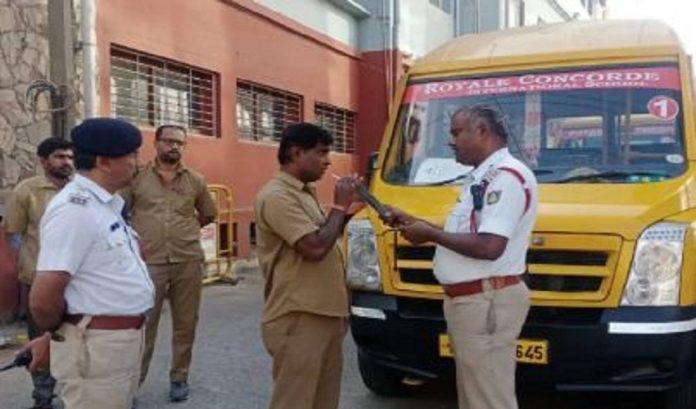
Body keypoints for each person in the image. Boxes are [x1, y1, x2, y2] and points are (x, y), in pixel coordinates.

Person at [387, 105, 538, 409]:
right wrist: (417, 222)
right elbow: (469, 233)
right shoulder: (482, 177)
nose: (451, 141)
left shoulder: (505, 178)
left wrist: (429, 234)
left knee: (489, 399)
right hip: (475, 302)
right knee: (477, 397)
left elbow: (489, 247)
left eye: (456, 133)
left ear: (482, 131)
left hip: (486, 301)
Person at [20, 118, 154, 409]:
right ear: (104, 161)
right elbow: (44, 297)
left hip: (115, 343)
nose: (138, 163)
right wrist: (59, 335)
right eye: (131, 155)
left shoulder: (104, 204)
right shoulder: (75, 210)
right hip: (96, 347)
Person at [254, 123, 360, 409]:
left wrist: (346, 212)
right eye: (322, 152)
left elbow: (324, 237)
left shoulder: (303, 192)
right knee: (295, 401)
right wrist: (339, 207)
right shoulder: (277, 196)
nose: (328, 161)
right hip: (299, 315)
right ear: (296, 152)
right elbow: (314, 247)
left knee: (324, 401)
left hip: (323, 313)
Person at [122, 124, 217, 402]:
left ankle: (179, 378)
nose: (174, 147)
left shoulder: (195, 180)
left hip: (187, 259)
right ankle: (133, 385)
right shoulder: (137, 179)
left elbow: (208, 214)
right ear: (157, 143)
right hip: (149, 262)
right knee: (143, 324)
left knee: (185, 323)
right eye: (168, 141)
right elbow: (119, 211)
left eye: (179, 143)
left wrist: (183, 231)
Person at [3, 137, 73, 409]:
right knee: (41, 341)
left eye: (69, 157)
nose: (66, 162)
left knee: (75, 337)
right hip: (39, 280)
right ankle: (43, 398)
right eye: (59, 157)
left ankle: (76, 396)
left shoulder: (80, 189)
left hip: (76, 280)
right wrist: (30, 260)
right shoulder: (27, 191)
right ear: (44, 161)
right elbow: (14, 233)